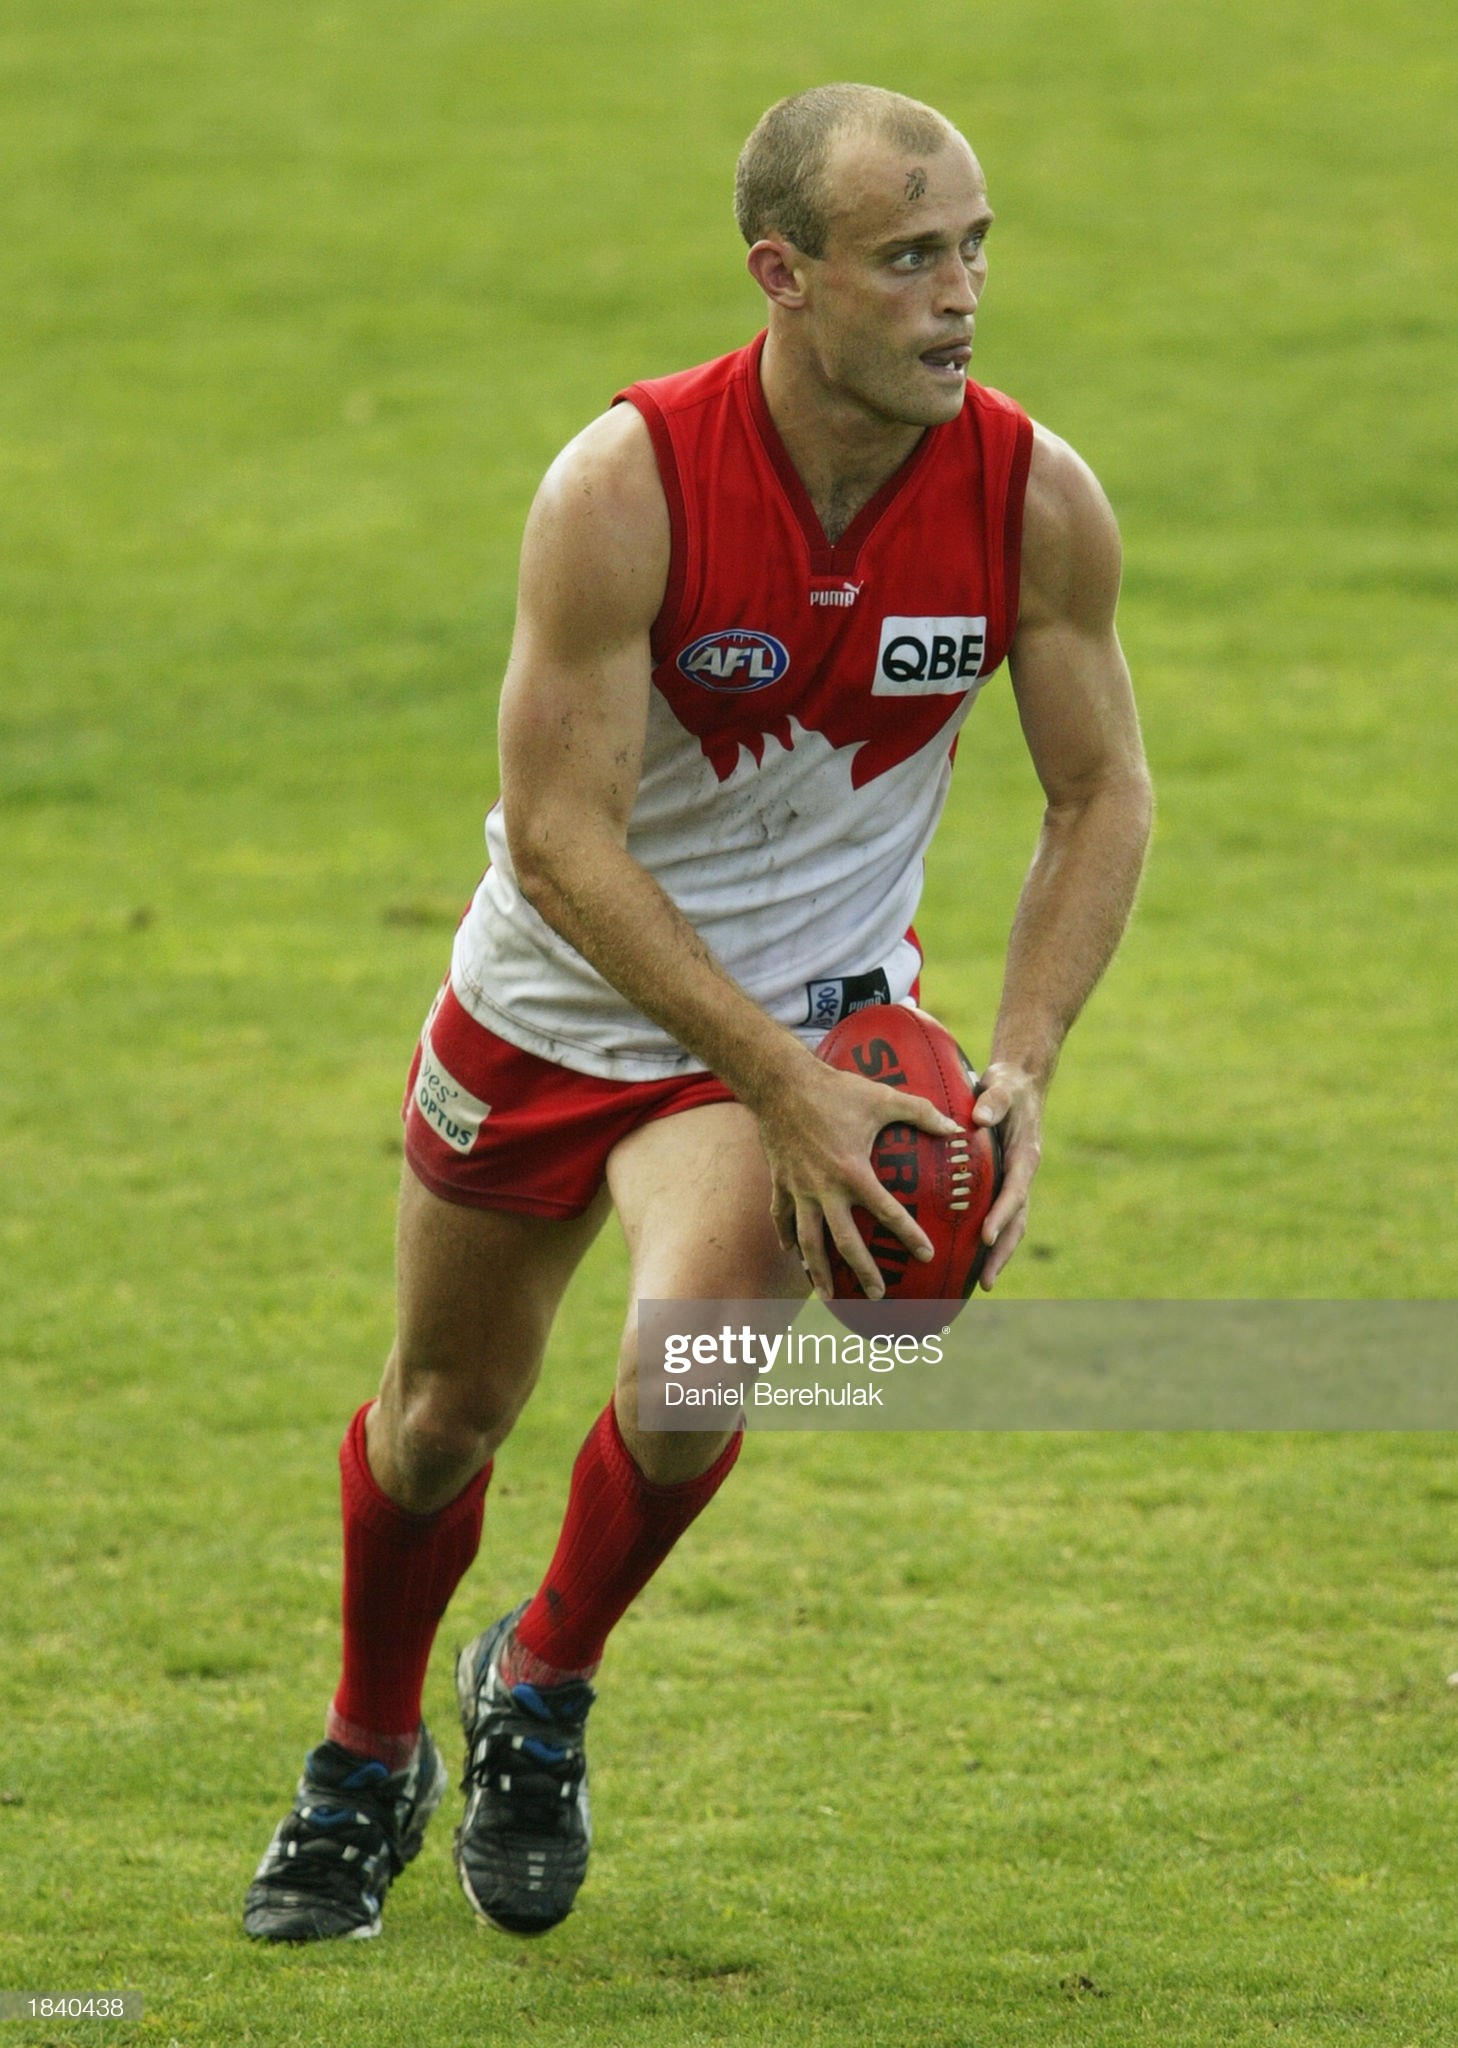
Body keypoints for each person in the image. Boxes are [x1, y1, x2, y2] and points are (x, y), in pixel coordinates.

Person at [244, 82, 1152, 1944]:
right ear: (783, 275)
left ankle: (546, 1685)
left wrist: (1021, 1057)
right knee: (439, 1421)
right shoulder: (626, 482)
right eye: (908, 258)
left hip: (810, 1025)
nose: (958, 295)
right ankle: (364, 1748)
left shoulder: (1030, 496)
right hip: (557, 1005)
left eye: (972, 248)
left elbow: (1100, 795)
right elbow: (562, 839)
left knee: (689, 1372)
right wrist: (776, 1077)